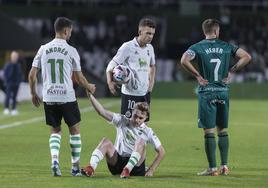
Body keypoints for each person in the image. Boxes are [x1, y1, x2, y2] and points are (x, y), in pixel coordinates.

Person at [180, 18, 251, 176]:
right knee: (223, 129)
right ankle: (224, 166)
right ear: (217, 31)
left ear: (204, 31)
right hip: (223, 92)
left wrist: (197, 75)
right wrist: (232, 71)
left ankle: (212, 168)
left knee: (209, 132)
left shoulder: (197, 47)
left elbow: (184, 60)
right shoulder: (227, 46)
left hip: (207, 93)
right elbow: (247, 56)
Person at [28, 17, 96, 177]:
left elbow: (32, 75)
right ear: (66, 31)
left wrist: (33, 93)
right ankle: (74, 168)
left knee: (55, 131)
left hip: (49, 97)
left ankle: (54, 161)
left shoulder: (43, 49)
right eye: (70, 32)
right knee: (75, 131)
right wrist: (89, 86)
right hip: (67, 96)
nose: (70, 34)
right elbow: (79, 78)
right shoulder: (71, 50)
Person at [81, 93, 165, 178]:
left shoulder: (148, 131)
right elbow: (102, 112)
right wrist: (89, 95)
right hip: (117, 164)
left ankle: (127, 169)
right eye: (135, 116)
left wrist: (151, 169)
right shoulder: (122, 120)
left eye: (141, 118)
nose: (137, 120)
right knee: (105, 141)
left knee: (141, 141)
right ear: (132, 112)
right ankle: (91, 168)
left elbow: (161, 152)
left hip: (136, 168)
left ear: (146, 118)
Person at [106, 18, 156, 121]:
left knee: (143, 127)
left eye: (152, 34)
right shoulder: (127, 47)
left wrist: (151, 83)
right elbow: (111, 65)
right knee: (127, 127)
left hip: (145, 94)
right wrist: (110, 82)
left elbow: (152, 65)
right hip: (130, 94)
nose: (150, 36)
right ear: (140, 32)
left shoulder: (150, 48)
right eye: (148, 33)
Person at [3, 51, 22, 115]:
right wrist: (6, 82)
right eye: (13, 56)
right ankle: (6, 108)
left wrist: (19, 82)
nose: (15, 58)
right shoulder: (8, 65)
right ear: (11, 57)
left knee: (14, 97)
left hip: (16, 84)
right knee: (8, 96)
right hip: (9, 83)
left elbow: (20, 75)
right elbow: (5, 74)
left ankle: (14, 109)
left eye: (16, 56)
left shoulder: (18, 65)